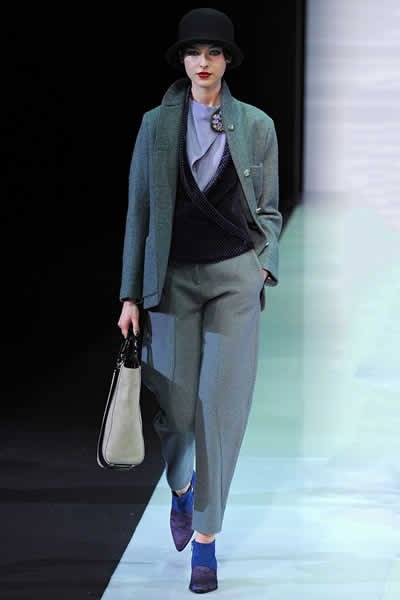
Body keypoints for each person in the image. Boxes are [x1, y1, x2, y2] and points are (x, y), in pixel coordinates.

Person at [117, 7, 282, 594]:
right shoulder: (155, 125)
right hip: (171, 282)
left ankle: (206, 542)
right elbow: (139, 212)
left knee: (221, 412)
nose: (204, 62)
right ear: (183, 61)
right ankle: (182, 487)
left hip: (234, 279)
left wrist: (264, 266)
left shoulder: (257, 125)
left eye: (214, 52)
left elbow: (268, 208)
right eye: (194, 52)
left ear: (227, 60)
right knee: (177, 412)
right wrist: (130, 293)